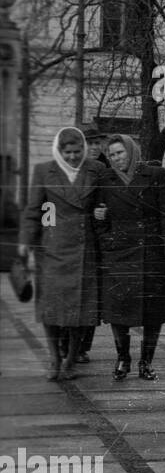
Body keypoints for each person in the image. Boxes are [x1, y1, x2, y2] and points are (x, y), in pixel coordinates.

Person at [18, 127, 108, 380]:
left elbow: (103, 203)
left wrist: (101, 214)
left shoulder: (96, 170)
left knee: (81, 312)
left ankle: (71, 360)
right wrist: (25, 242)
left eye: (77, 151)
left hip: (85, 249)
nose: (72, 157)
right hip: (52, 250)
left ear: (84, 149)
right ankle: (54, 359)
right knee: (51, 309)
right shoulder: (43, 171)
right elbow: (33, 210)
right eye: (67, 152)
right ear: (59, 151)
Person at [97, 134, 165, 382]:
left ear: (131, 151)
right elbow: (97, 217)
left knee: (152, 312)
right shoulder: (105, 180)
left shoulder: (155, 175)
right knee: (118, 311)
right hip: (119, 254)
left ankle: (146, 362)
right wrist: (104, 227)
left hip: (150, 253)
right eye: (111, 155)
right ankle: (123, 359)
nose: (115, 159)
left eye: (120, 152)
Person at [75, 122, 111, 363]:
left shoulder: (102, 168)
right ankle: (67, 346)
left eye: (98, 142)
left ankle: (81, 347)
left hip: (96, 242)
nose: (96, 147)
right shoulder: (69, 170)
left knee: (91, 298)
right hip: (73, 242)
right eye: (91, 143)